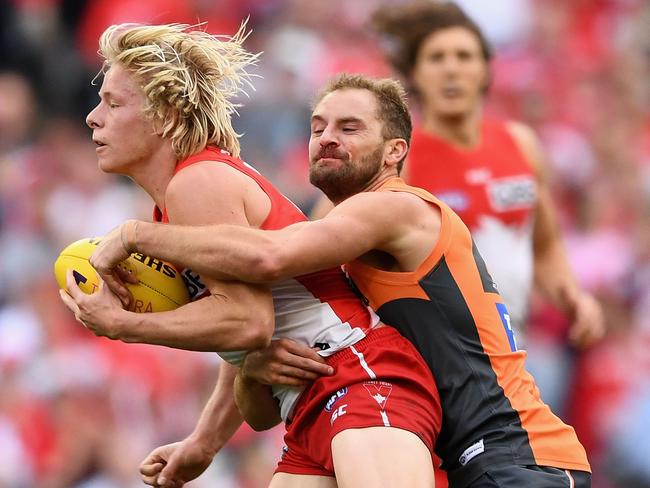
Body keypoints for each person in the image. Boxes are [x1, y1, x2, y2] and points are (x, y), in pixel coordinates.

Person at [89, 72, 592, 487]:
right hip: (454, 450)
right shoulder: (336, 241)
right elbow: (258, 349)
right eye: (317, 126)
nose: (327, 137)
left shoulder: (396, 208)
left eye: (350, 128)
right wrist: (240, 385)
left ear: (395, 151)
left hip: (514, 448)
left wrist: (139, 236)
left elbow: (265, 260)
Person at [58, 22, 441, 488]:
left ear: (166, 115)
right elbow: (245, 332)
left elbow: (248, 321)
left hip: (357, 374)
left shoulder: (196, 182)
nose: (93, 117)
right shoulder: (179, 200)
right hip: (313, 397)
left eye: (113, 103)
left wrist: (125, 326)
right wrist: (203, 441)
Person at [367, 0, 604, 352]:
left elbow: (545, 245)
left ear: (485, 70)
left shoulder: (521, 144)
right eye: (436, 58)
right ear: (414, 74)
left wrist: (573, 297)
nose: (451, 70)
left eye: (464, 56)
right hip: (431, 359)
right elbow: (328, 238)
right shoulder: (399, 157)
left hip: (510, 353)